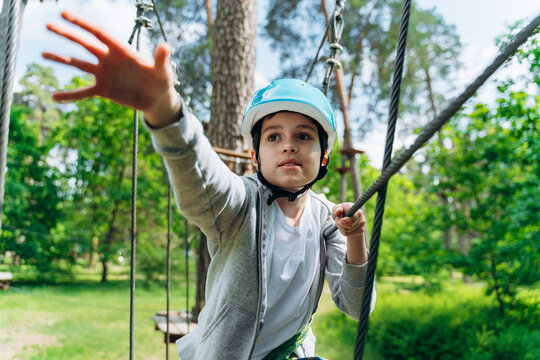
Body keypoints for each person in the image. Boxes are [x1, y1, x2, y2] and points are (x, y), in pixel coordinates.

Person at [43, 11, 376, 360]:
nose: (288, 146)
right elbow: (200, 176)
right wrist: (165, 109)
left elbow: (357, 306)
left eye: (304, 136)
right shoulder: (239, 204)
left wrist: (355, 237)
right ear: (255, 156)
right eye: (274, 136)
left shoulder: (329, 220)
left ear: (323, 157)